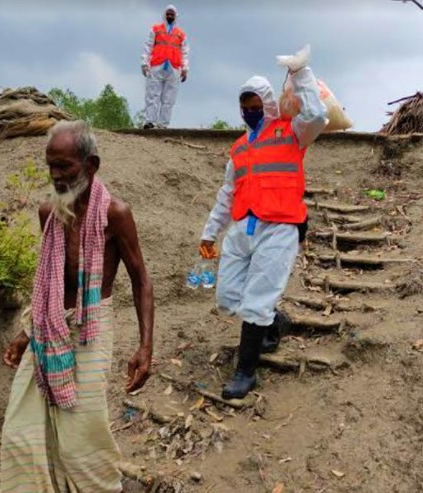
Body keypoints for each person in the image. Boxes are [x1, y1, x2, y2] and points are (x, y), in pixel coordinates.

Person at [0, 120, 155, 492]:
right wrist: (27, 333)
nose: (56, 175)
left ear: (91, 164)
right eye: (51, 165)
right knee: (20, 430)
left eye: (64, 166)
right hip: (48, 328)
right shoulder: (48, 214)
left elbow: (141, 279)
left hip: (91, 328)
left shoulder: (115, 213)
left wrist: (145, 347)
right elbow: (50, 284)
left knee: (82, 433)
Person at [199, 58, 328, 400]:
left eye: (256, 106)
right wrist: (210, 232)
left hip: (281, 227)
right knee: (228, 298)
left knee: (256, 302)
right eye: (245, 107)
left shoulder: (292, 132)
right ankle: (274, 323)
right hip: (244, 228)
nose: (250, 112)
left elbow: (317, 116)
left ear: (268, 104)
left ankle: (245, 372)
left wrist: (301, 73)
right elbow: (227, 193)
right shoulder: (239, 149)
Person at [141, 4, 189, 129]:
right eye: (168, 13)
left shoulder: (181, 34)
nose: (169, 16)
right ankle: (150, 121)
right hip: (156, 64)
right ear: (164, 14)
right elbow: (148, 46)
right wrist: (144, 63)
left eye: (171, 14)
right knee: (152, 94)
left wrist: (185, 69)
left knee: (169, 98)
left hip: (174, 67)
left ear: (175, 16)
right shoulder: (155, 29)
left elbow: (185, 52)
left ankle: (163, 124)